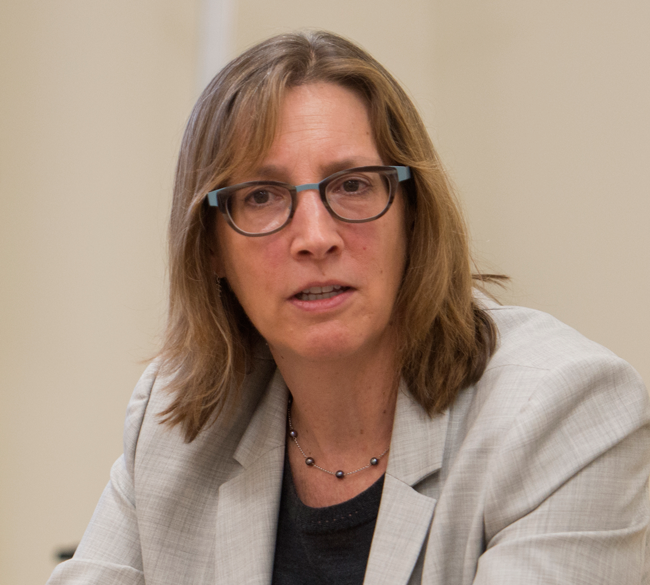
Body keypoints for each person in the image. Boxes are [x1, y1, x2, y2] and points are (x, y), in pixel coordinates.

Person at [47, 31, 650, 585]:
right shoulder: (174, 426)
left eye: (352, 185)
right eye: (261, 196)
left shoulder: (564, 414)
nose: (316, 236)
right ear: (210, 248)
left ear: (413, 214)